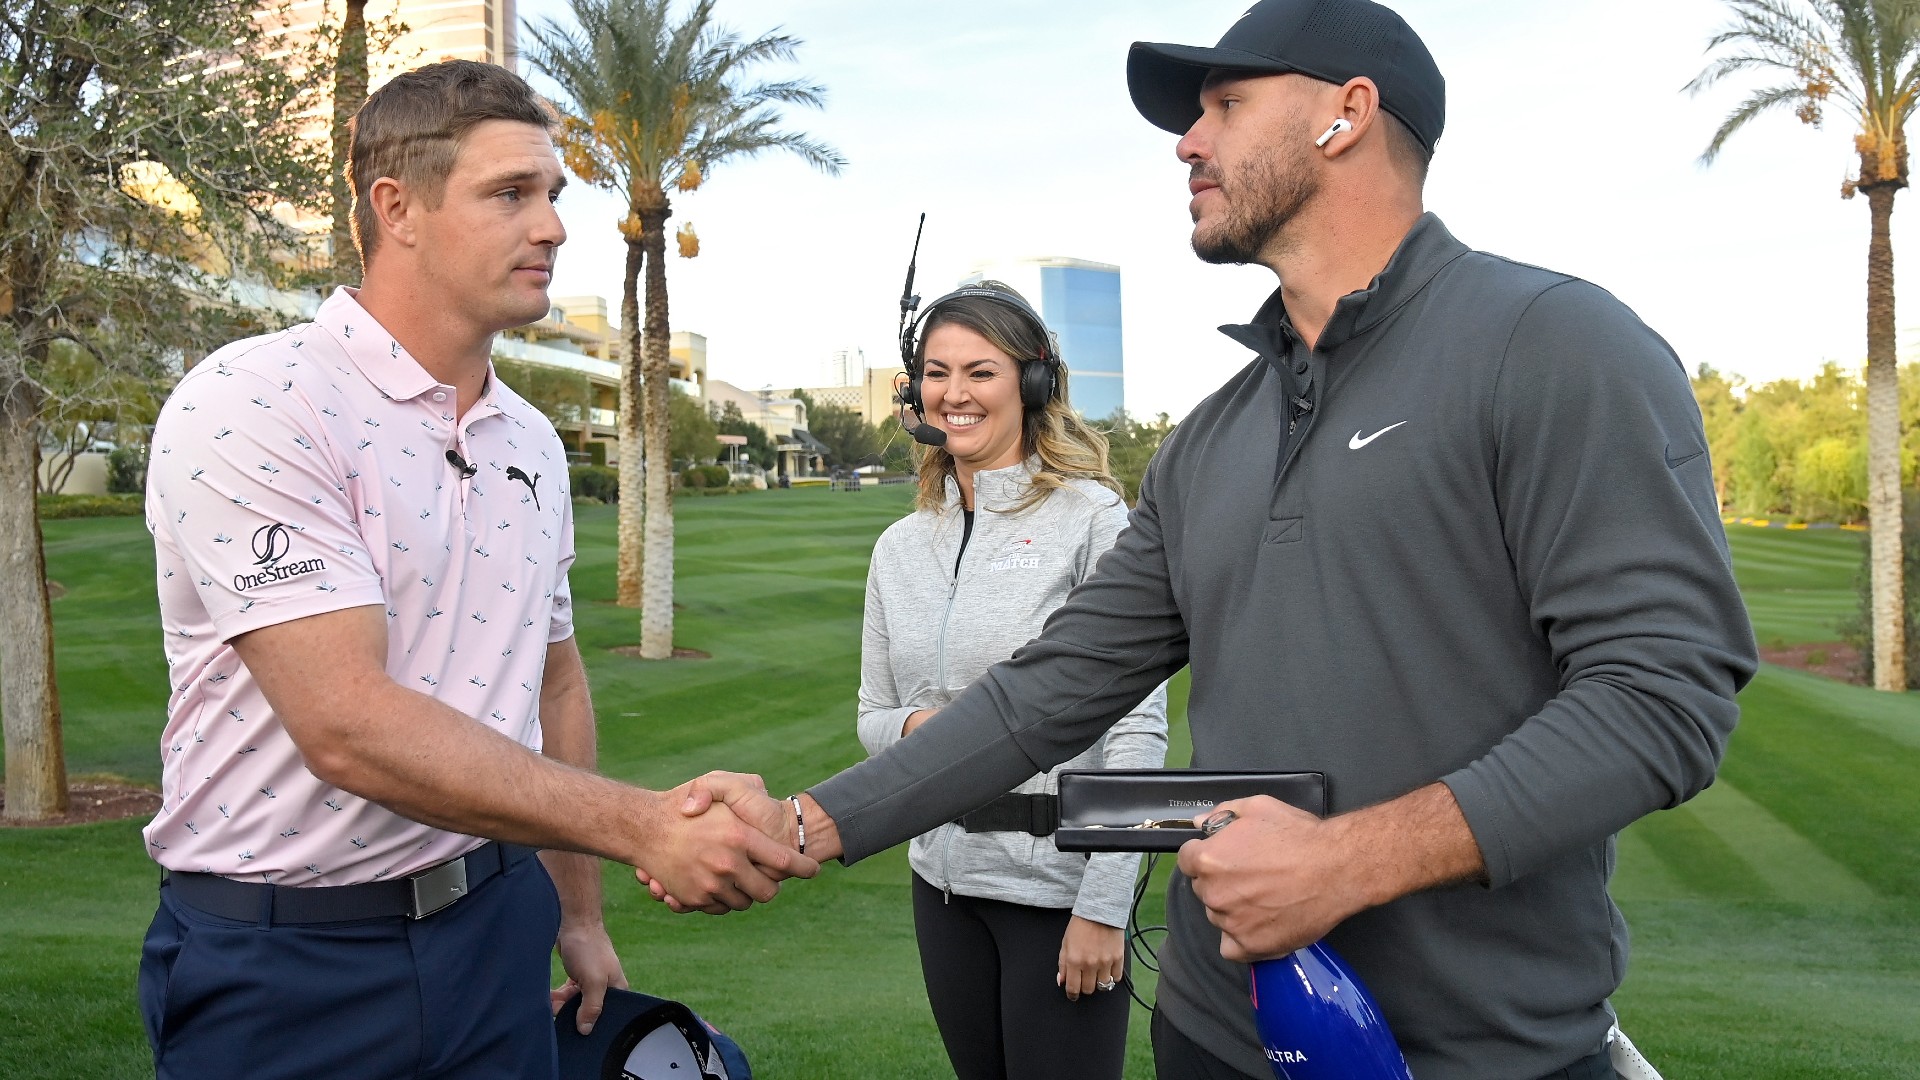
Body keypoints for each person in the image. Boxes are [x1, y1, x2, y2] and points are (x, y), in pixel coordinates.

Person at [668, 2, 1759, 1078]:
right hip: (1207, 1028)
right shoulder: (1211, 439)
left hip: (1479, 1052)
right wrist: (806, 824)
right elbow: (1046, 692)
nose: (1188, 142)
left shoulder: (1555, 346)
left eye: (1226, 106)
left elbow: (1665, 692)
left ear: (1346, 114)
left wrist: (1346, 862)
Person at [136, 60, 813, 1080]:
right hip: (286, 960)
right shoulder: (257, 399)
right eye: (511, 194)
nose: (550, 226)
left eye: (552, 195)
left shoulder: (530, 439)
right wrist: (640, 826)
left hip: (495, 931)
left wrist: (576, 914)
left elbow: (554, 676)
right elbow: (347, 725)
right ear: (396, 208)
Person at [861, 283, 1169, 1080]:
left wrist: (1103, 906)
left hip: (1061, 895)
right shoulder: (899, 547)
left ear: (1032, 384)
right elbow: (871, 715)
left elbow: (1137, 728)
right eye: (936, 372)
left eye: (980, 372)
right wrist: (918, 735)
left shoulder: (1094, 520)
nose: (954, 394)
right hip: (943, 887)